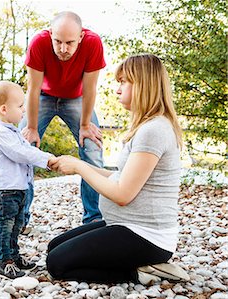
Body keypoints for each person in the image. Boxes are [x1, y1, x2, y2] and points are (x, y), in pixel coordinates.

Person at [46, 54, 190, 285]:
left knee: (57, 264)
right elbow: (120, 177)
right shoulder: (147, 127)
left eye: (124, 82)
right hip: (124, 226)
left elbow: (123, 194)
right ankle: (132, 263)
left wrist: (80, 166)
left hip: (147, 236)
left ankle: (143, 273)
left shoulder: (154, 130)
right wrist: (76, 166)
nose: (117, 89)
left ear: (143, 85)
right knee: (54, 246)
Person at [20, 11, 106, 229]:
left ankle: (93, 218)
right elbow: (33, 89)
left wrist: (85, 126)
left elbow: (90, 89)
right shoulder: (39, 42)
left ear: (80, 37)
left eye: (69, 43)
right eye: (58, 41)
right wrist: (31, 127)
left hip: (76, 99)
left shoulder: (93, 43)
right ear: (50, 35)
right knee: (21, 147)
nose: (63, 49)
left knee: (92, 149)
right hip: (43, 97)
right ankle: (19, 219)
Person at [0, 80, 55, 279]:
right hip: (4, 192)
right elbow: (20, 153)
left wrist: (45, 157)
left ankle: (14, 257)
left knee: (16, 225)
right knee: (5, 226)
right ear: (4, 109)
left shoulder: (13, 131)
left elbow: (26, 150)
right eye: (20, 106)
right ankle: (4, 261)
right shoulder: (0, 134)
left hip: (17, 189)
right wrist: (46, 159)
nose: (24, 110)